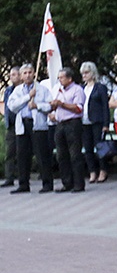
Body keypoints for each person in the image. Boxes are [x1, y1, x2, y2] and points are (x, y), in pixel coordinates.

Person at [7, 64, 54, 194]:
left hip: (38, 125)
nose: (27, 75)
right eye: (25, 73)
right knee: (22, 155)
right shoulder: (18, 91)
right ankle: (23, 183)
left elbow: (50, 106)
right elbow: (12, 106)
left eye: (30, 72)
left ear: (34, 73)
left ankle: (47, 183)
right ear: (21, 76)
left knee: (41, 155)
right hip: (23, 125)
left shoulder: (42, 89)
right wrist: (28, 97)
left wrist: (37, 105)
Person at [50, 67, 87, 193]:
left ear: (69, 78)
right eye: (59, 77)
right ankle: (67, 182)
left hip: (73, 123)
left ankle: (78, 184)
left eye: (62, 77)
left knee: (75, 154)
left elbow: (78, 108)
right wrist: (53, 109)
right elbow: (57, 105)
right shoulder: (59, 90)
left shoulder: (77, 90)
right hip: (60, 124)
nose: (59, 80)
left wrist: (62, 104)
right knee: (61, 155)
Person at [79, 62, 110, 184]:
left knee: (100, 147)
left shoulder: (100, 87)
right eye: (82, 73)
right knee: (88, 148)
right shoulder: (81, 88)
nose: (84, 76)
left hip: (97, 121)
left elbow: (105, 107)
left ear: (92, 73)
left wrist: (106, 124)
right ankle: (92, 172)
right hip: (84, 122)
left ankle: (103, 170)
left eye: (86, 73)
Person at [2, 65, 22, 187]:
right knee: (10, 152)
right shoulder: (8, 90)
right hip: (11, 124)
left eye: (14, 75)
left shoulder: (24, 89)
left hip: (23, 123)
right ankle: (9, 177)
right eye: (10, 75)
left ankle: (23, 177)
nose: (11, 77)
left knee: (23, 152)